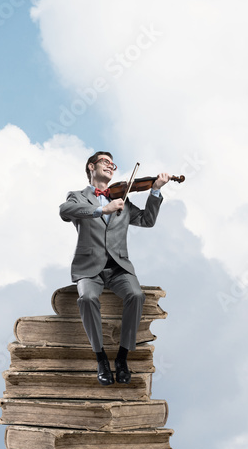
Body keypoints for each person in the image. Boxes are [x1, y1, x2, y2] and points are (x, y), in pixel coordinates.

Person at [59, 151, 170, 386]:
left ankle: (122, 357)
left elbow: (147, 221)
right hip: (89, 267)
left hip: (119, 267)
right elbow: (65, 211)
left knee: (136, 295)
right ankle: (100, 359)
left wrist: (156, 190)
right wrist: (102, 210)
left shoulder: (124, 200)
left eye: (113, 164)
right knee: (87, 298)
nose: (110, 166)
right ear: (91, 166)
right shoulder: (77, 197)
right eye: (105, 162)